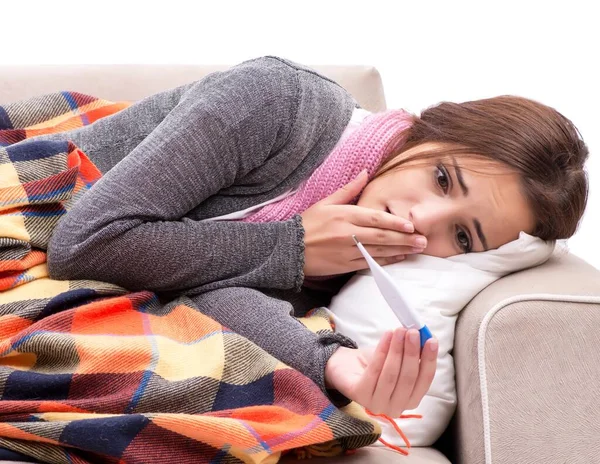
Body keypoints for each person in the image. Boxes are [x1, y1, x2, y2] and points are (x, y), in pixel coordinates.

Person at [38, 55, 588, 417]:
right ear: (432, 126)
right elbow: (81, 242)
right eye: (443, 178)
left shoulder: (365, 251)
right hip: (39, 201)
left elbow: (210, 290)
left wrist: (332, 362)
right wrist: (292, 245)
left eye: (463, 237)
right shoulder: (278, 103)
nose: (421, 220)